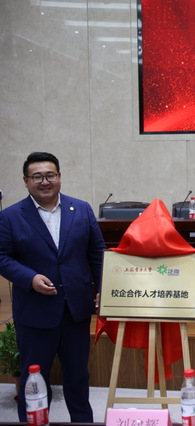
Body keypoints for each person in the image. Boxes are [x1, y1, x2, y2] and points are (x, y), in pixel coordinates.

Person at [0, 152, 106, 422]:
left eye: (50, 175)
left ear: (59, 177)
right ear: (26, 181)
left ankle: (82, 421)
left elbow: (97, 253)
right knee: (34, 381)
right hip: (34, 313)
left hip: (75, 310)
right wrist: (30, 279)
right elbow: (2, 257)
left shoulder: (81, 209)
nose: (44, 181)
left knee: (78, 377)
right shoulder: (10, 216)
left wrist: (102, 288)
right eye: (37, 177)